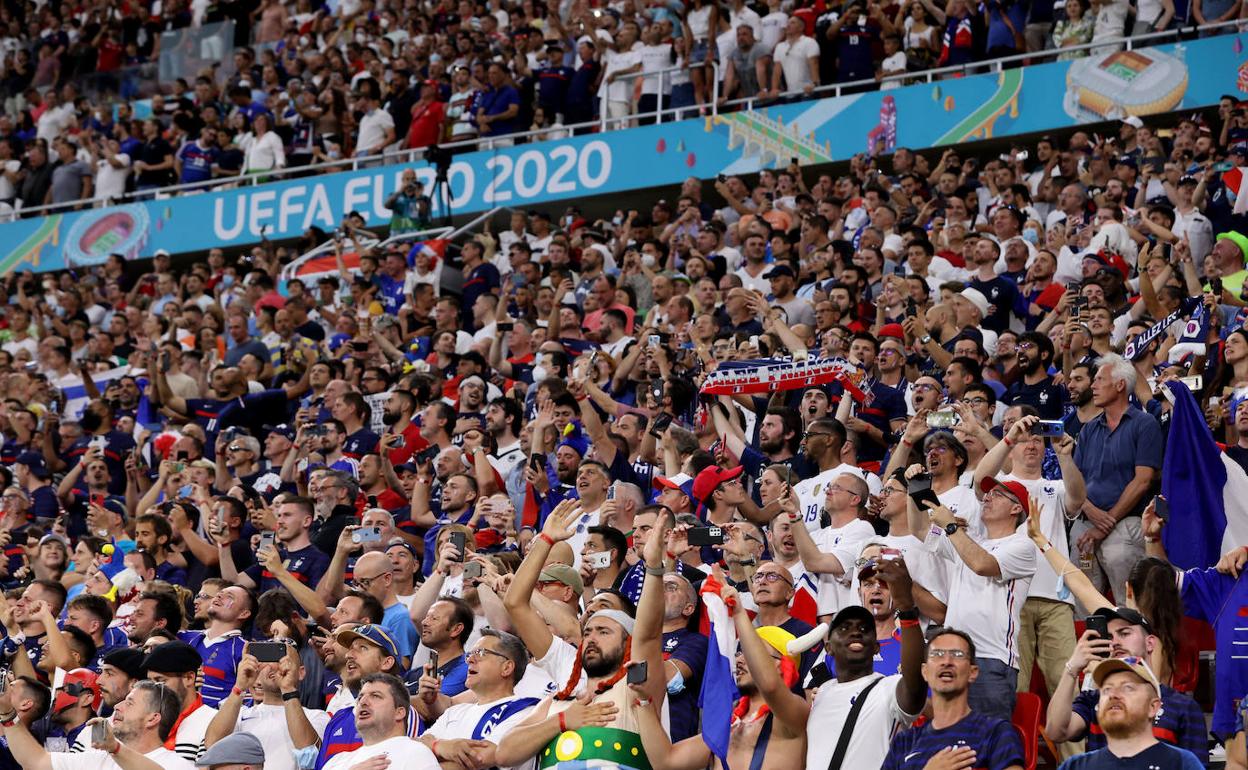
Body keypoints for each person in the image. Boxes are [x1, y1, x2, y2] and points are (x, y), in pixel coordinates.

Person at [881, 627, 1025, 770]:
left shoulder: (996, 732)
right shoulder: (905, 741)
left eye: (957, 654)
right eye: (937, 654)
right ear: (924, 671)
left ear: (973, 672)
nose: (947, 661)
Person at [1057, 658, 1204, 770]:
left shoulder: (1181, 763)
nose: (1113, 695)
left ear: (1153, 707)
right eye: (1106, 689)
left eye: (1127, 688)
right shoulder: (1075, 766)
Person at [321, 674, 439, 770]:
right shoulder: (336, 762)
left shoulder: (416, 754)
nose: (363, 702)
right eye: (360, 697)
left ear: (399, 712)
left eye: (375, 696)